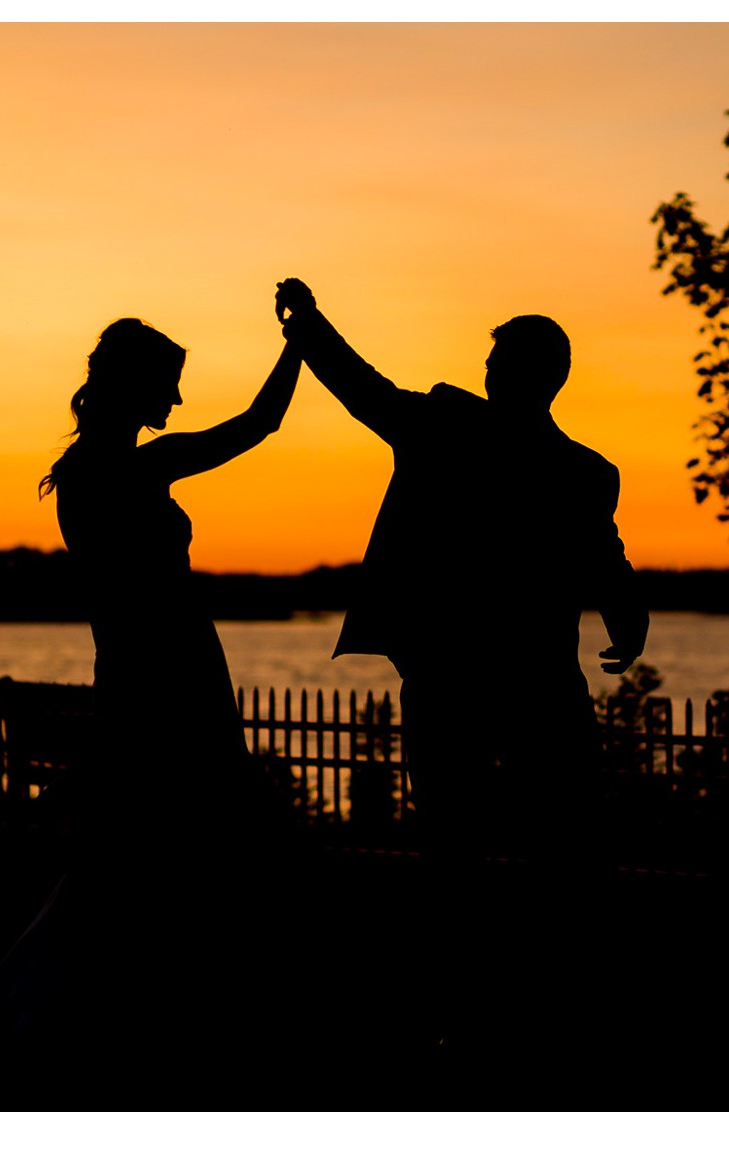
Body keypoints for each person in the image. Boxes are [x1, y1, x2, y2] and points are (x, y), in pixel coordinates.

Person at [2, 316, 301, 1081]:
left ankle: (99, 1000)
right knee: (171, 842)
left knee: (135, 847)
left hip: (138, 667)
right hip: (169, 671)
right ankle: (99, 1005)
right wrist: (301, 344)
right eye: (167, 379)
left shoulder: (81, 473)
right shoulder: (137, 470)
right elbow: (259, 424)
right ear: (137, 385)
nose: (176, 394)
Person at [274, 278, 648, 867]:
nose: (489, 373)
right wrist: (628, 620)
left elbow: (364, 391)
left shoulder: (449, 429)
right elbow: (606, 562)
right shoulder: (584, 471)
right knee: (548, 823)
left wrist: (308, 327)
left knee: (470, 827)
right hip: (523, 674)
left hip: (461, 670)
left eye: (497, 363)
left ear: (529, 374)